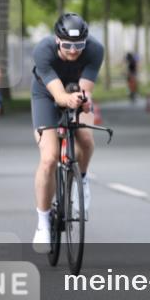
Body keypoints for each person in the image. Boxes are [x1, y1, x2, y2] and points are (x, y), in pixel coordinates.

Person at [30, 13, 104, 251]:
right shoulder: (43, 51)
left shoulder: (95, 50)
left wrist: (84, 101)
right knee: (49, 158)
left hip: (75, 90)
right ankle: (43, 223)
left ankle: (82, 178)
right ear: (57, 40)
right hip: (46, 94)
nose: (73, 51)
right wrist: (68, 99)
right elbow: (59, 96)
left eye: (78, 45)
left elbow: (85, 90)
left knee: (86, 139)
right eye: (67, 45)